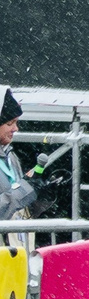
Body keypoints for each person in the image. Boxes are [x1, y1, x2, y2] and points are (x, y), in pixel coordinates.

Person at [0, 90, 35, 224]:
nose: (16, 128)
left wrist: (41, 196)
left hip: (16, 243)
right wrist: (25, 191)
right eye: (10, 123)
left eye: (16, 122)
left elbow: (21, 212)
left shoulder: (10, 156)